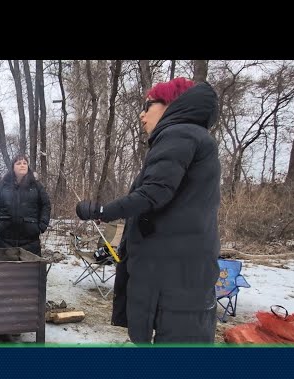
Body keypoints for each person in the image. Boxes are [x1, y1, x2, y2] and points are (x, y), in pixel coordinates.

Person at [76, 78, 220, 344]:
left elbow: (153, 193)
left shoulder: (180, 134)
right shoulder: (193, 137)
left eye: (148, 104)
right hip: (182, 272)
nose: (142, 113)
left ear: (170, 105)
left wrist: (103, 209)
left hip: (174, 276)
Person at [0, 153, 51, 256]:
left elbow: (46, 205)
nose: (22, 165)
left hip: (30, 241)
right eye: (18, 163)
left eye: (25, 163)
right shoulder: (4, 185)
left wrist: (41, 226)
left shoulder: (36, 185)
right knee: (5, 270)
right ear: (13, 167)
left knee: (29, 271)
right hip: (4, 241)